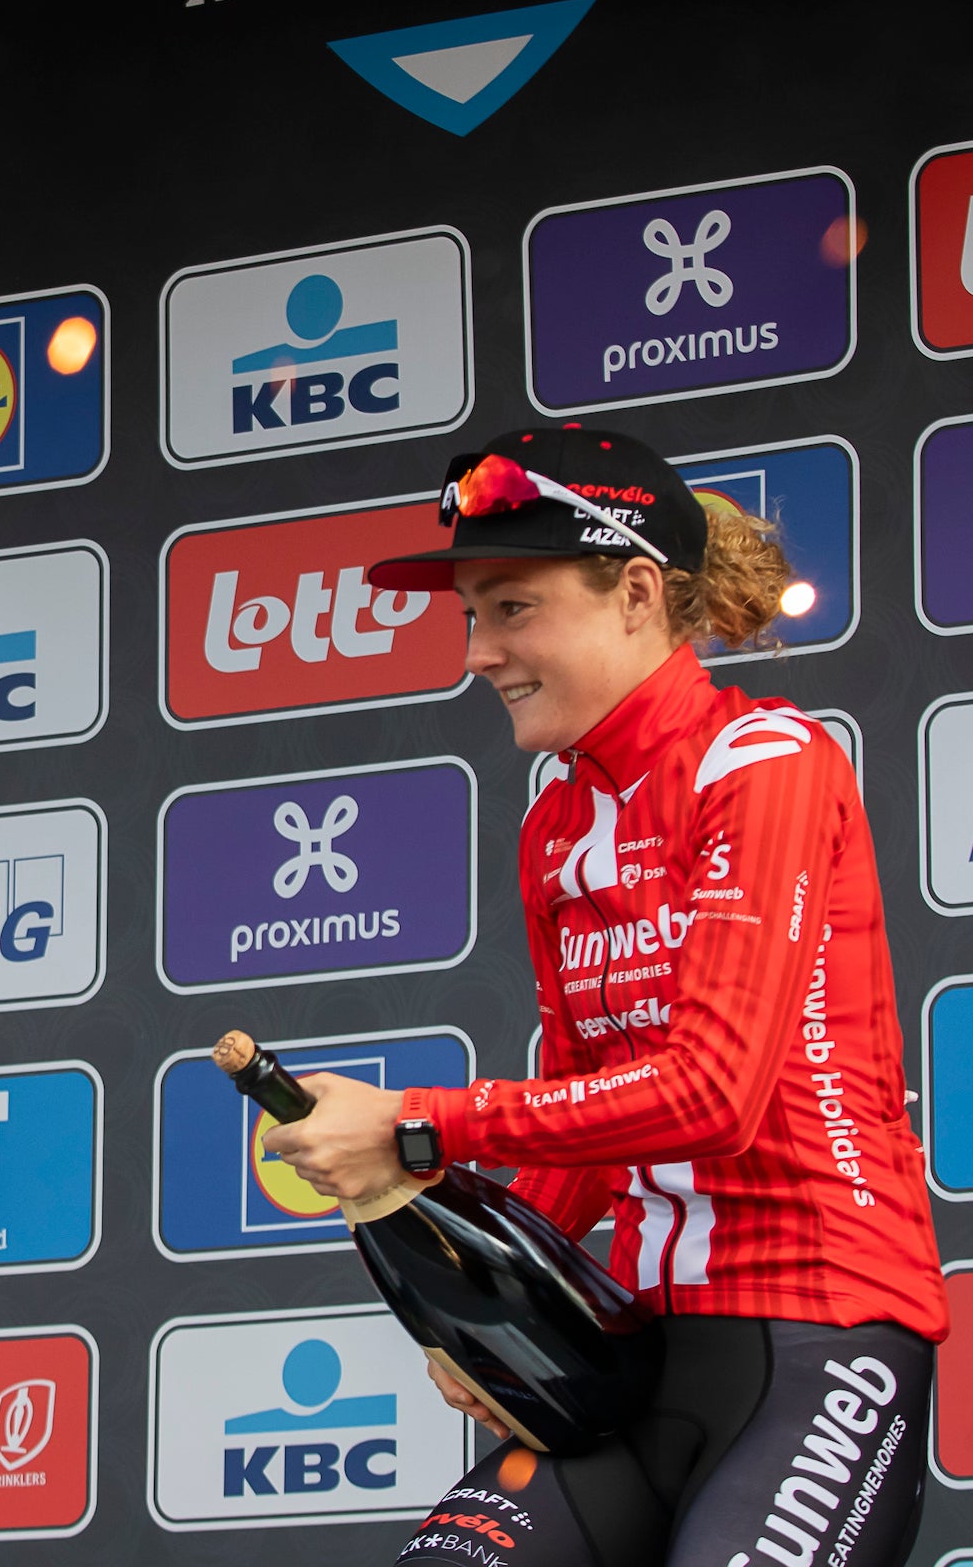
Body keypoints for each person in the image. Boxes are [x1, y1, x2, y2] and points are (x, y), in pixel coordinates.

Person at [261, 427, 947, 1567]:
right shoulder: (555, 825)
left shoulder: (765, 761)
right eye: (472, 614)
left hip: (821, 1331)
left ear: (635, 593)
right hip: (631, 1352)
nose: (480, 650)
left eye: (513, 607)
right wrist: (479, 1307)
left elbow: (711, 1096)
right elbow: (586, 1121)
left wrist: (413, 1121)